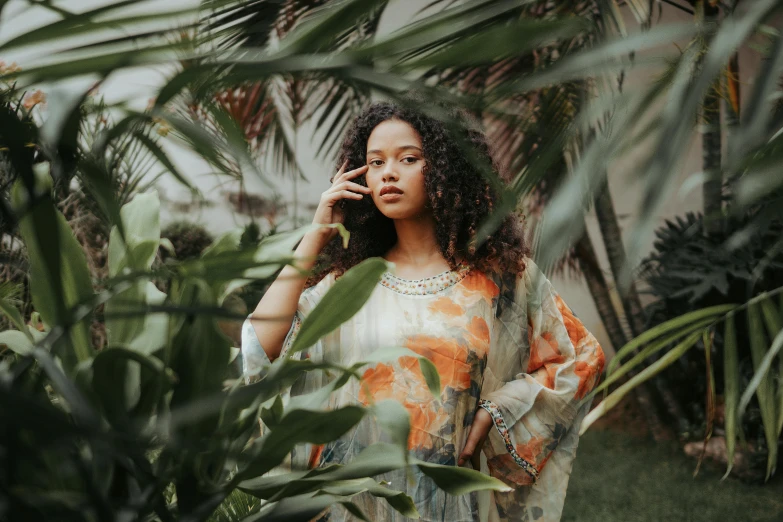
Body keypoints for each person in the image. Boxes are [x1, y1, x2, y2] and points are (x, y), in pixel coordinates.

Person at [241, 101, 606, 522]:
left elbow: (581, 358)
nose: (388, 173)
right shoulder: (350, 284)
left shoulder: (501, 279)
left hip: (444, 500)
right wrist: (316, 235)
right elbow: (258, 348)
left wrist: (498, 409)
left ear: (446, 170)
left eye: (408, 159)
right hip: (349, 502)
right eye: (375, 163)